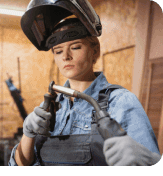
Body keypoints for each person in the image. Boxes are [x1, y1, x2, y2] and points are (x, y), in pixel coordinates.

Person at [10, 1, 160, 166]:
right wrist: (28, 134)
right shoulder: (51, 108)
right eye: (58, 51)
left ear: (94, 50)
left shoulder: (120, 103)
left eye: (75, 47)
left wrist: (149, 161)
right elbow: (20, 166)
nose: (65, 56)